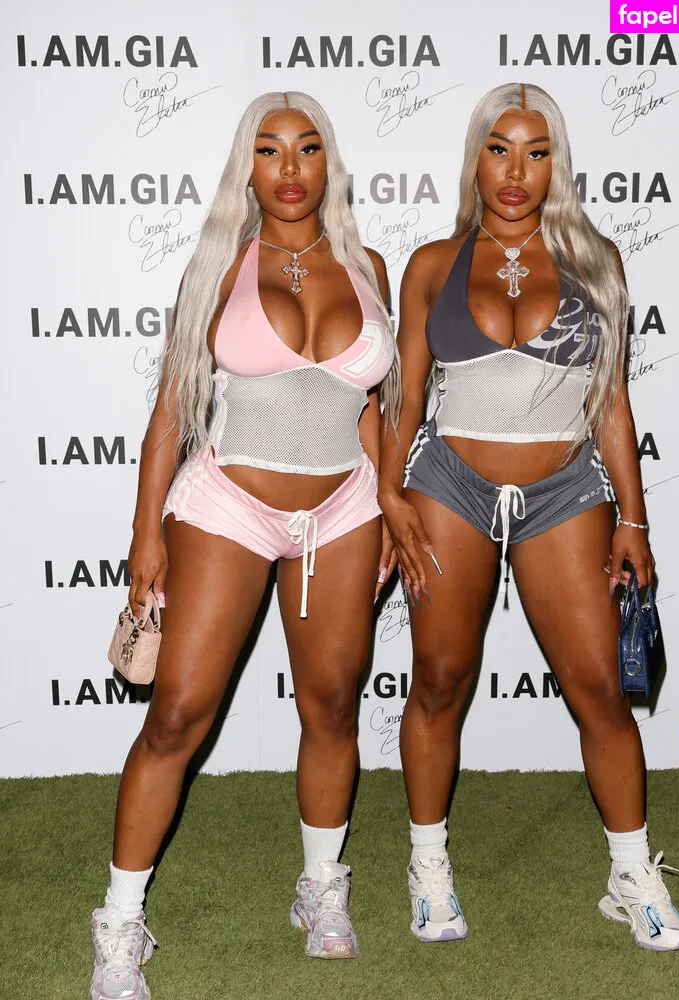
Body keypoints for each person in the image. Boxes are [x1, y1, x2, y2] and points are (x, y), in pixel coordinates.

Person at [90, 91, 399, 1000]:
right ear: (247, 166)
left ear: (329, 162)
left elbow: (371, 411)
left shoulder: (369, 267)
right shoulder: (220, 265)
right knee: (177, 714)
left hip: (345, 508)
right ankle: (119, 923)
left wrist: (388, 505)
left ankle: (321, 888)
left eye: (307, 148)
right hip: (227, 502)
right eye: (269, 150)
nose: (290, 168)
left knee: (333, 705)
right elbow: (171, 410)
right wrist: (145, 533)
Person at [376, 82, 679, 952]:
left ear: (557, 163)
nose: (515, 171)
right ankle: (428, 867)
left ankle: (630, 875)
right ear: (475, 157)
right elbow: (405, 398)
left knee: (599, 689)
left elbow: (611, 401)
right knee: (439, 680)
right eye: (499, 149)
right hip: (449, 486)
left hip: (564, 490)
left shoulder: (595, 258)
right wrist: (389, 495)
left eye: (536, 151)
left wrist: (633, 520)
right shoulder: (432, 264)